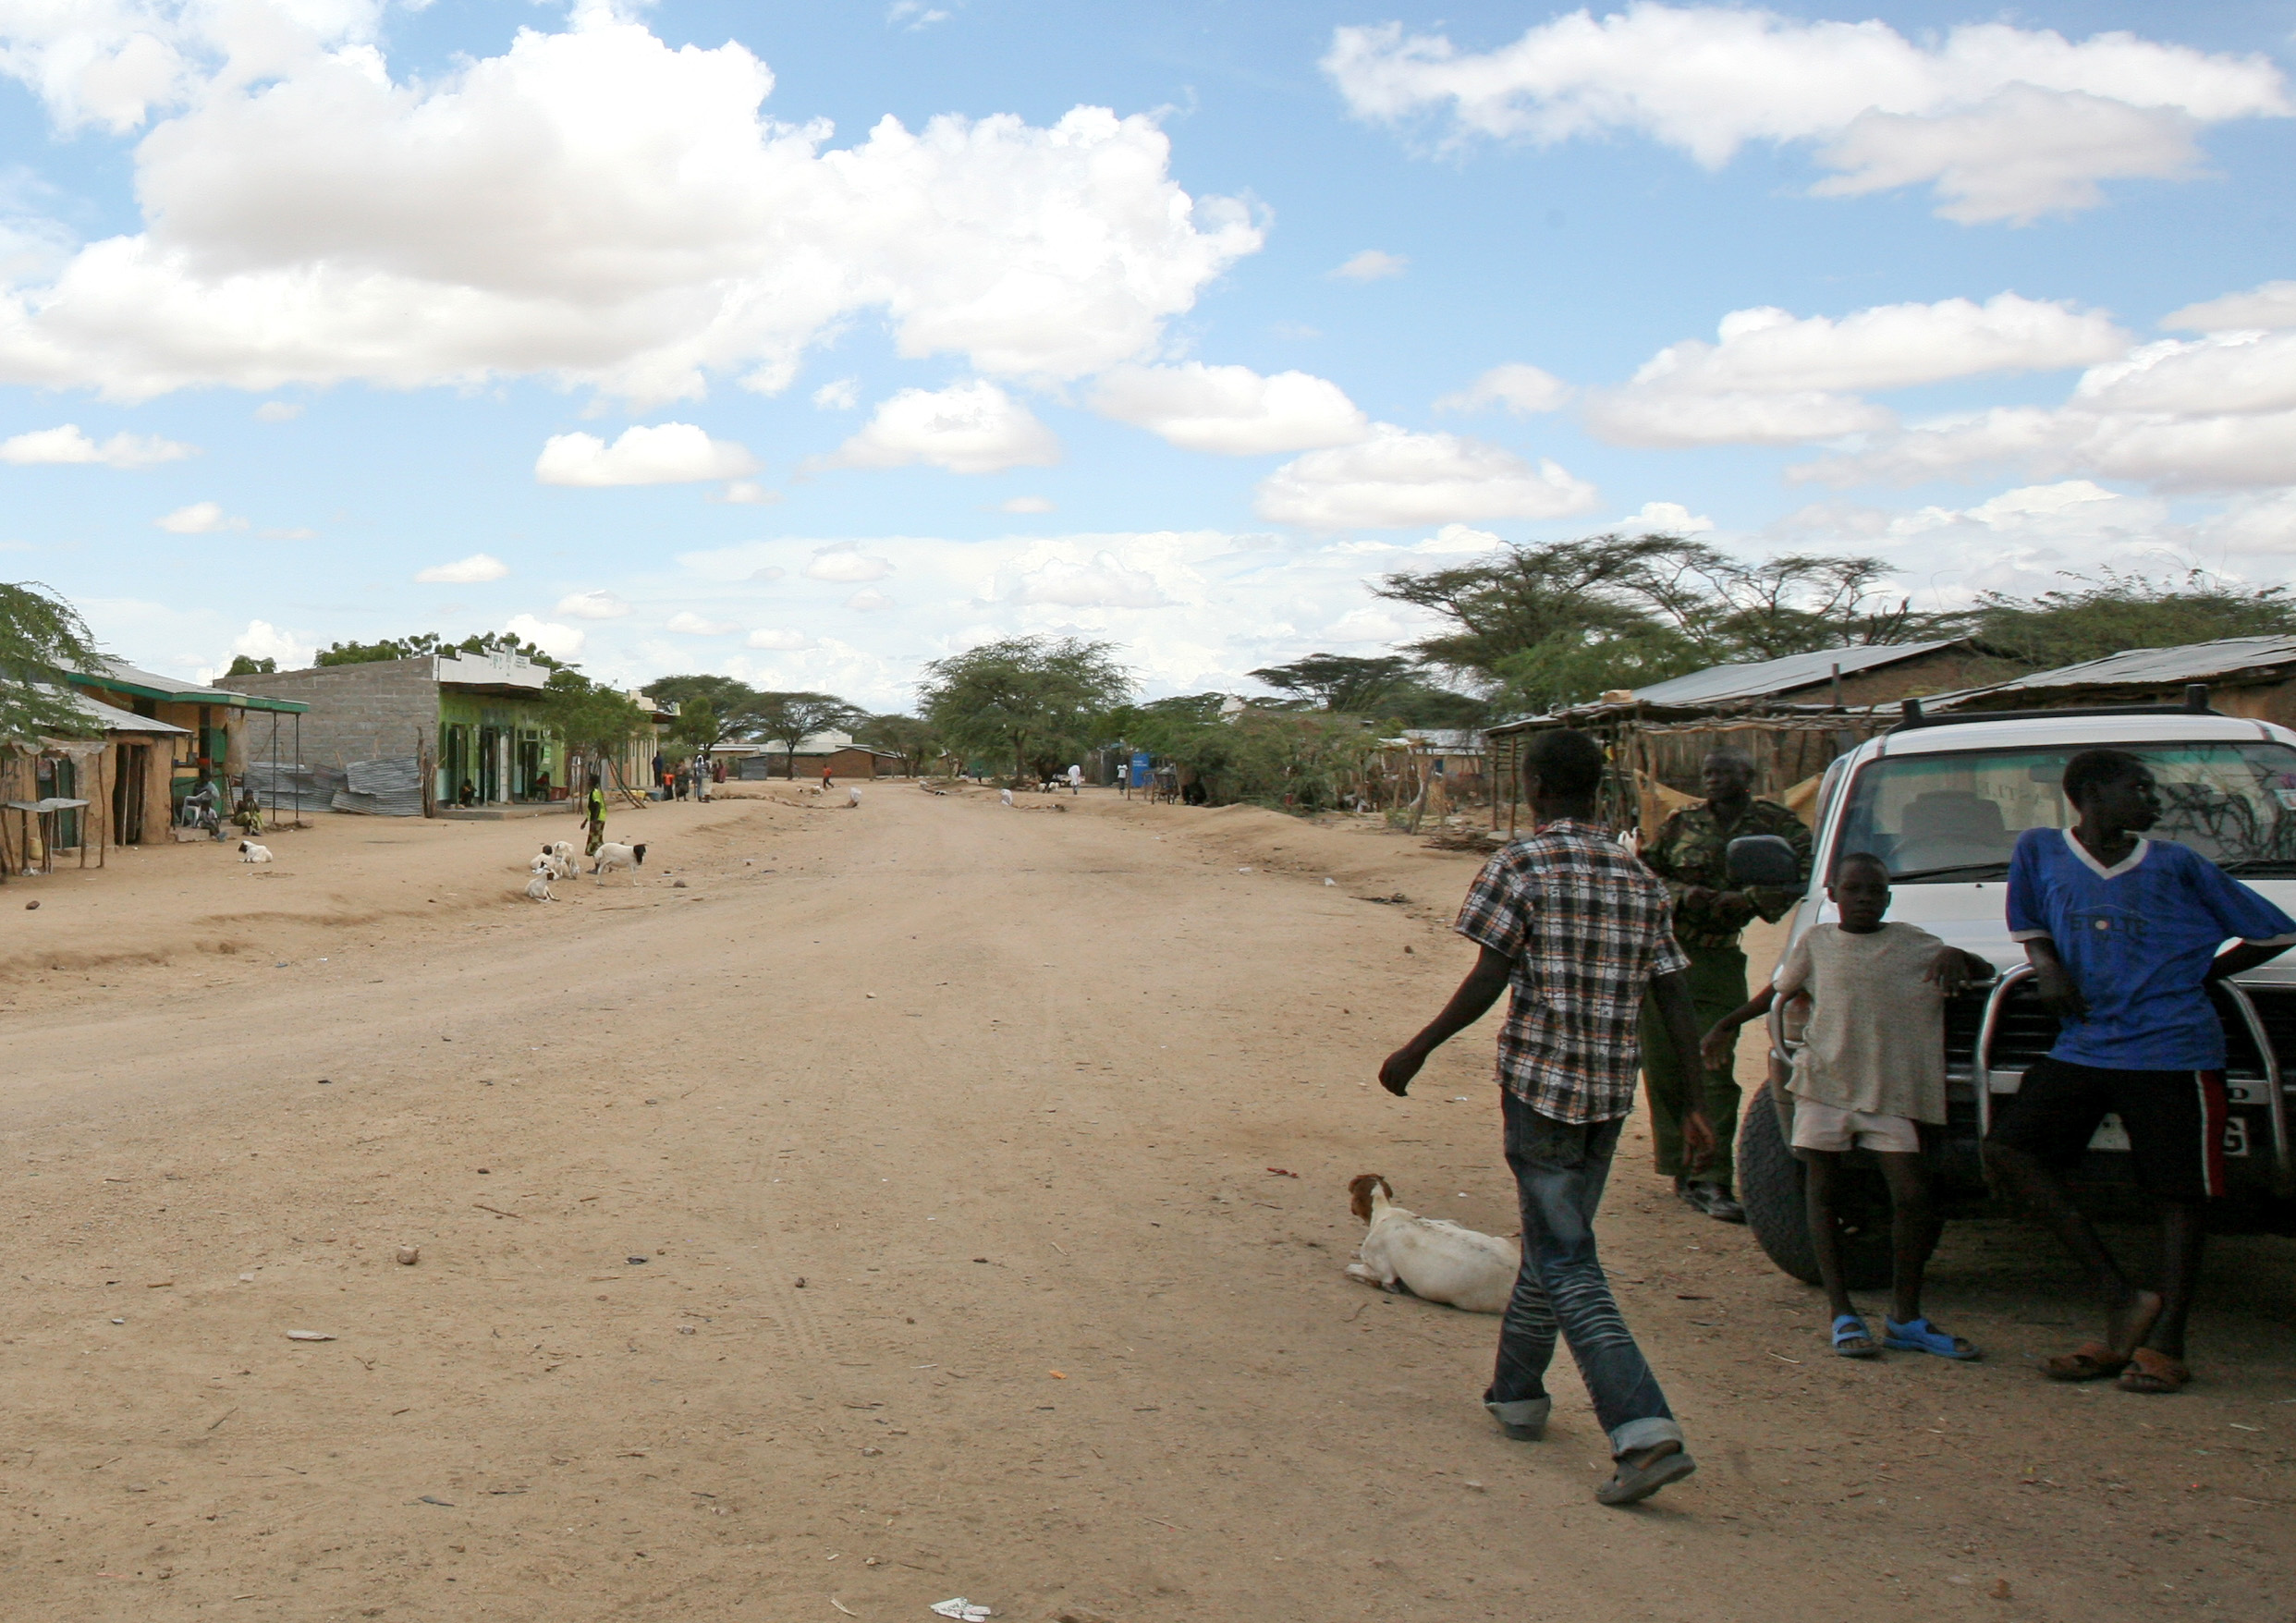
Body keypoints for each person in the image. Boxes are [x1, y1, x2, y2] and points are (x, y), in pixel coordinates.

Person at [1378, 728, 1714, 1507]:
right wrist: (1693, 1103)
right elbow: (1673, 995)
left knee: (1567, 1260)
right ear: (1599, 790)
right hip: (1608, 1097)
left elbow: (1490, 973)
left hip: (1540, 1093)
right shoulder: (1638, 875)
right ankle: (1517, 1394)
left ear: (1534, 786)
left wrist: (1417, 1048)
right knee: (1554, 1243)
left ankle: (1644, 1431)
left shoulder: (1519, 864)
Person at [1983, 750, 2296, 1395]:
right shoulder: (2039, 850)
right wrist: (2045, 966)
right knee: (2010, 1151)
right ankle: (2120, 1295)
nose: (2154, 800)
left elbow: (2272, 932)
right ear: (2092, 794)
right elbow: (2031, 921)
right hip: (2086, 1045)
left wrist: (2196, 974)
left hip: (2173, 1050)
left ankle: (2167, 1343)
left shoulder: (2176, 864)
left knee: (2179, 1196)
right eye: (2140, 788)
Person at [1703, 852, 1994, 1359]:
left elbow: (1980, 971)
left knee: (1911, 1196)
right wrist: (1728, 1023)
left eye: (1874, 892)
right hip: (1825, 1086)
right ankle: (1842, 1312)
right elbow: (1777, 992)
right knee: (1822, 1195)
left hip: (1890, 1093)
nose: (1864, 900)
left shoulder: (1914, 944)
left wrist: (1958, 957)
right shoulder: (1817, 943)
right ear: (1833, 895)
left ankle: (1905, 1315)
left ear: (1888, 897)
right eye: (1853, 890)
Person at [1638, 748, 1812, 1223]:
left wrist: (1747, 899)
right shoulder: (1681, 821)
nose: (1712, 780)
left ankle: (1712, 1177)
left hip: (1717, 955)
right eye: (1708, 772)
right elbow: (1647, 872)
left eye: (1723, 772)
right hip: (1663, 953)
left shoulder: (1776, 824)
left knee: (1712, 1064)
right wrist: (1682, 894)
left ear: (1748, 776)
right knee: (1664, 1064)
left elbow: (1805, 875)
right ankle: (1682, 1168)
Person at [584, 779, 606, 857]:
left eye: (589, 780)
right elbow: (591, 809)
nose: (587, 782)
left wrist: (595, 820)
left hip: (598, 818)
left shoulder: (595, 793)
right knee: (596, 837)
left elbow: (597, 806)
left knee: (595, 839)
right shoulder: (592, 793)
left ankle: (598, 854)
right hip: (595, 818)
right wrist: (586, 821)